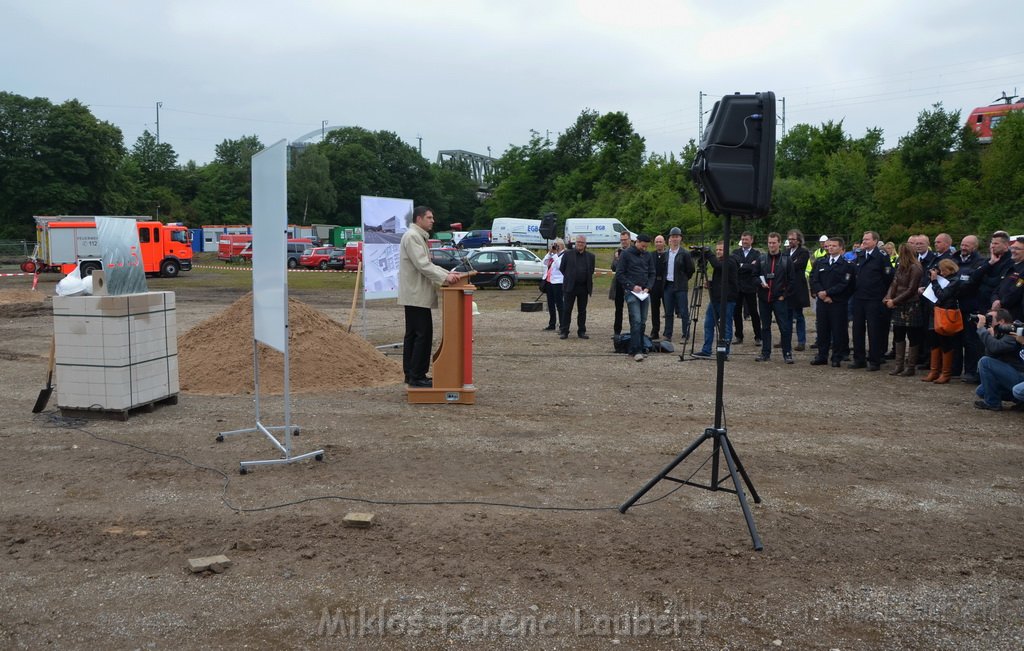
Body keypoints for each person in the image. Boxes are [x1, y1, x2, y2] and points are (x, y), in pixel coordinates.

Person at [398, 206, 462, 388]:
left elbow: (428, 264)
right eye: (429, 217)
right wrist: (445, 277)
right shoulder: (412, 237)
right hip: (416, 294)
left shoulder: (416, 236)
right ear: (419, 219)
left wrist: (448, 273)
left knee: (414, 335)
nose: (432, 220)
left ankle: (411, 374)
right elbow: (423, 265)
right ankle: (417, 376)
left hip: (415, 294)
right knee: (422, 335)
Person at [849, 230, 894, 371]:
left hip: (874, 298)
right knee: (857, 330)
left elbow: (888, 277)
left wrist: (883, 294)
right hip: (859, 297)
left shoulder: (881, 256)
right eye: (863, 239)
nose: (864, 241)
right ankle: (859, 359)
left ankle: (875, 360)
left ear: (875, 241)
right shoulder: (860, 255)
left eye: (867, 239)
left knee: (874, 330)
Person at [809, 237, 854, 367]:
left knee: (838, 330)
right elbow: (814, 279)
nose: (830, 248)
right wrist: (821, 293)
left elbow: (845, 284)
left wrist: (828, 293)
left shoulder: (847, 265)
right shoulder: (820, 262)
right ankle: (822, 355)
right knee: (822, 330)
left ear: (841, 248)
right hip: (822, 302)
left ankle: (836, 357)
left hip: (837, 302)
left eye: (834, 246)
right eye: (829, 246)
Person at [883, 242, 924, 376]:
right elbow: (894, 283)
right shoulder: (901, 267)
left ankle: (910, 366)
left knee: (913, 336)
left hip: (911, 305)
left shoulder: (916, 268)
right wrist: (888, 297)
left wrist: (894, 300)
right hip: (899, 304)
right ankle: (899, 365)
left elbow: (912, 290)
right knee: (898, 334)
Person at [692, 241, 739, 359]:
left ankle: (724, 352)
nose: (718, 252)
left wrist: (709, 254)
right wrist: (711, 284)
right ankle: (706, 350)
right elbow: (721, 279)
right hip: (716, 298)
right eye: (717, 250)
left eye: (721, 250)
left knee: (726, 326)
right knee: (708, 324)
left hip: (727, 300)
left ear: (727, 250)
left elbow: (718, 266)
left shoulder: (731, 261)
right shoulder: (721, 261)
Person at [755, 232, 796, 363]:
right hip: (764, 299)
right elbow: (753, 276)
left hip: (779, 299)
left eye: (774, 242)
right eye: (769, 243)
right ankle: (765, 353)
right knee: (765, 327)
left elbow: (792, 280)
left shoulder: (786, 260)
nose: (771, 245)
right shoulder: (761, 259)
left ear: (779, 243)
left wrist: (784, 296)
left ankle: (787, 353)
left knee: (784, 327)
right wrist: (759, 283)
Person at [921, 258, 964, 384]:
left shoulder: (955, 281)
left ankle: (945, 373)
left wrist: (934, 282)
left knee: (946, 343)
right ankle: (934, 371)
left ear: (950, 269)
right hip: (935, 313)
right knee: (934, 342)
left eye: (943, 270)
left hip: (945, 314)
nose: (941, 273)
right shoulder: (943, 279)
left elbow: (942, 295)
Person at [973, 309, 1024, 411]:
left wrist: (982, 330)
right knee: (981, 391)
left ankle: (992, 403)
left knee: (984, 362)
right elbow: (991, 354)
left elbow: (995, 348)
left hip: (1020, 374)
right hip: (1012, 374)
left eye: (990, 319)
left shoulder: (1013, 332)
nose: (988, 321)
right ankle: (1020, 400)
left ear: (1001, 321)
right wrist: (991, 337)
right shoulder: (1000, 333)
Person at [616, 233, 655, 361]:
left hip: (644, 293)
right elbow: (620, 274)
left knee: (643, 320)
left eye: (646, 247)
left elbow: (652, 273)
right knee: (636, 320)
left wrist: (648, 287)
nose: (644, 248)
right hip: (631, 292)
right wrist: (632, 286)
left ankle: (640, 345)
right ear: (636, 242)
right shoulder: (626, 254)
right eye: (643, 246)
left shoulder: (648, 255)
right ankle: (636, 350)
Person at [954, 235, 985, 383]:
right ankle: (955, 369)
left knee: (971, 340)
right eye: (962, 244)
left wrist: (956, 286)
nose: (963, 247)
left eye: (967, 245)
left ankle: (971, 371)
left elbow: (972, 282)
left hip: (971, 306)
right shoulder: (956, 259)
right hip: (955, 306)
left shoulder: (980, 262)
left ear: (975, 247)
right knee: (956, 339)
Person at [559, 234, 596, 340]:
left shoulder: (591, 256)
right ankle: (564, 331)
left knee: (582, 311)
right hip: (570, 287)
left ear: (585, 244)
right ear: (575, 243)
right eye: (578, 242)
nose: (580, 244)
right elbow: (562, 268)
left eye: (582, 242)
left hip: (584, 288)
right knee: (567, 309)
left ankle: (582, 331)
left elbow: (591, 271)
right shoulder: (567, 254)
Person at [662, 227, 695, 343]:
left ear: (680, 238)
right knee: (668, 311)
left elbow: (690, 269)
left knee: (683, 311)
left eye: (677, 236)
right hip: (668, 285)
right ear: (669, 239)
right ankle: (667, 334)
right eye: (672, 237)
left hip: (680, 286)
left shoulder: (685, 253)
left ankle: (685, 334)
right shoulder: (666, 253)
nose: (674, 239)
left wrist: (684, 279)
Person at [731, 232, 762, 345]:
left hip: (750, 287)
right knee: (736, 312)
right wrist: (749, 265)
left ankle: (758, 336)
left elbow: (756, 268)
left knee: (754, 312)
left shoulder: (756, 253)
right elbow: (734, 267)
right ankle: (739, 336)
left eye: (746, 239)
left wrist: (742, 265)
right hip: (737, 287)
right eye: (743, 239)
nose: (744, 241)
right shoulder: (735, 252)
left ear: (751, 240)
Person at [786, 229, 810, 351]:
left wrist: (788, 264)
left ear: (799, 240)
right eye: (789, 239)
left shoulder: (804, 252)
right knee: (786, 316)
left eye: (793, 239)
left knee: (798, 315)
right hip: (787, 288)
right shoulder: (786, 252)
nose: (790, 241)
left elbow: (795, 266)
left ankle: (801, 341)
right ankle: (785, 339)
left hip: (798, 288)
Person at [991, 236, 1024, 321]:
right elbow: (998, 287)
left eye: (1017, 248)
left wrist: (1000, 303)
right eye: (1012, 247)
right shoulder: (1009, 267)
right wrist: (995, 300)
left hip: (1014, 316)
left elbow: (1016, 291)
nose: (1013, 251)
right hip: (1001, 314)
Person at [609, 231, 632, 336]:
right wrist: (617, 259)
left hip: (630, 282)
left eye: (625, 240)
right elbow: (613, 268)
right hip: (619, 283)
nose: (623, 242)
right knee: (618, 309)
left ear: (629, 240)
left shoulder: (633, 251)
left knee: (632, 308)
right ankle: (617, 331)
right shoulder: (618, 251)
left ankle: (634, 331)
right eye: (621, 240)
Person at [541, 239, 565, 331]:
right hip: (549, 281)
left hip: (559, 282)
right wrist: (549, 253)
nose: (555, 247)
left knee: (559, 304)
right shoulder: (553, 255)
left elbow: (560, 266)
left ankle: (563, 324)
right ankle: (552, 323)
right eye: (554, 245)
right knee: (550, 304)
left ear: (562, 246)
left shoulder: (564, 255)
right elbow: (544, 263)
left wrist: (554, 254)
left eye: (557, 245)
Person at [649, 234, 667, 340]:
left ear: (664, 243)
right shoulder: (650, 255)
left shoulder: (668, 255)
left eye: (660, 241)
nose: (658, 244)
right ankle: (655, 331)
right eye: (657, 242)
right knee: (654, 309)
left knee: (668, 309)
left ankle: (667, 331)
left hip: (665, 285)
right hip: (654, 284)